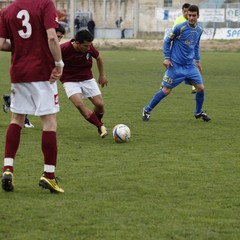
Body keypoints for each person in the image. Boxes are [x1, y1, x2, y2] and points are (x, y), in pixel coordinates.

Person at [0, 0, 64, 193]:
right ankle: (49, 175)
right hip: (43, 72)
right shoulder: (45, 4)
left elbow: (1, 44)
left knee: (16, 119)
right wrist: (59, 64)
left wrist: (21, 46)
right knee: (49, 122)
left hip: (19, 73)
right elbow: (52, 38)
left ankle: (8, 169)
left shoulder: (7, 10)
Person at [142, 5, 211, 122]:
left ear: (198, 16)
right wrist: (167, 58)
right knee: (166, 91)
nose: (191, 18)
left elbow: (196, 45)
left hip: (190, 66)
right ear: (187, 15)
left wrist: (197, 61)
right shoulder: (180, 28)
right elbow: (167, 41)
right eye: (189, 15)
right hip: (175, 66)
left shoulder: (199, 29)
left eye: (194, 16)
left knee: (200, 88)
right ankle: (147, 110)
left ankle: (198, 112)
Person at [1, 24, 66, 129]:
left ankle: (10, 101)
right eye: (57, 36)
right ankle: (21, 116)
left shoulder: (52, 46)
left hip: (26, 74)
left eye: (60, 37)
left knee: (28, 99)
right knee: (47, 115)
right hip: (35, 75)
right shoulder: (42, 43)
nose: (58, 39)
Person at [60, 29, 108, 138]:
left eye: (89, 45)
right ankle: (100, 126)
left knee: (100, 105)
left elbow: (99, 58)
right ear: (77, 43)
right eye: (85, 46)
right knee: (79, 104)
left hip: (87, 78)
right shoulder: (63, 49)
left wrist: (101, 75)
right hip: (69, 80)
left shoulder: (89, 47)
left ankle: (98, 124)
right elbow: (51, 61)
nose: (88, 48)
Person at [173, 3, 196, 94]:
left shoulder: (192, 21)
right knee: (173, 68)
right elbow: (173, 34)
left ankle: (194, 87)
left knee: (192, 67)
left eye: (188, 11)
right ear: (182, 11)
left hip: (190, 49)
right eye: (185, 11)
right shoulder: (178, 21)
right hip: (179, 50)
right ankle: (164, 85)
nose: (186, 13)